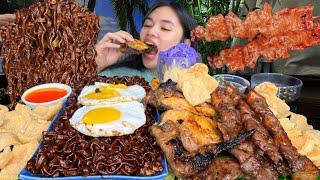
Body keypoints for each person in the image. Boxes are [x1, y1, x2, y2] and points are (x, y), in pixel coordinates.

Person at [94, 1, 197, 82]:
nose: (151, 31)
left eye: (165, 28)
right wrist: (97, 62)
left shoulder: (199, 85)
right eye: (147, 25)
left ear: (185, 45)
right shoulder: (116, 77)